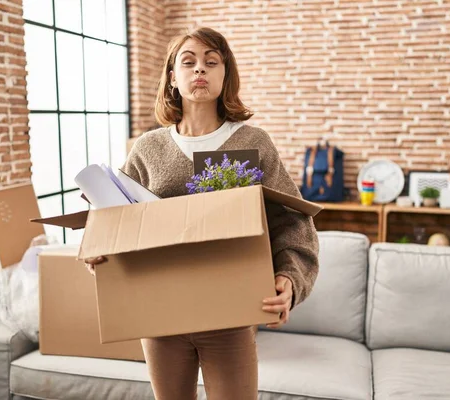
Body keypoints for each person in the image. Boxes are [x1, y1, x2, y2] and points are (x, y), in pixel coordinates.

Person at [84, 27, 319, 400]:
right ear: (172, 78)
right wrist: (100, 249)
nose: (200, 71)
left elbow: (292, 219)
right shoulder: (148, 148)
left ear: (225, 75)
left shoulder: (252, 142)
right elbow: (117, 219)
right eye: (188, 62)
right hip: (160, 316)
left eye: (212, 62)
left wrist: (290, 278)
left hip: (231, 315)